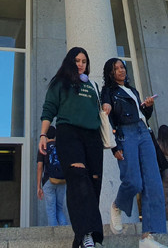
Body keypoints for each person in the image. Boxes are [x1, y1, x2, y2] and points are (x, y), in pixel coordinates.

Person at [39, 47, 104, 248]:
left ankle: (82, 238)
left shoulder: (92, 85)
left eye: (84, 61)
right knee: (78, 180)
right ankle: (86, 234)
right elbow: (49, 109)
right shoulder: (60, 83)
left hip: (93, 137)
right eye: (77, 60)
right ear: (70, 61)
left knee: (94, 184)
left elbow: (99, 110)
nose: (81, 64)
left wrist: (107, 106)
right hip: (69, 133)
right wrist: (43, 134)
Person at [101, 57, 167, 248]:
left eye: (122, 67)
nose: (121, 70)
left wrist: (147, 107)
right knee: (133, 181)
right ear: (110, 72)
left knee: (153, 183)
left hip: (143, 132)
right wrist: (115, 148)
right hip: (125, 133)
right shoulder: (108, 91)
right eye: (116, 68)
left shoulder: (133, 91)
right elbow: (107, 119)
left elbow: (142, 116)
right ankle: (117, 205)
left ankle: (148, 236)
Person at [36, 125, 69, 226]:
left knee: (51, 210)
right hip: (62, 180)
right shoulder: (62, 147)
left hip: (49, 180)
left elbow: (40, 167)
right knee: (59, 209)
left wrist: (38, 186)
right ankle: (65, 232)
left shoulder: (43, 147)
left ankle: (53, 234)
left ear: (45, 136)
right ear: (55, 135)